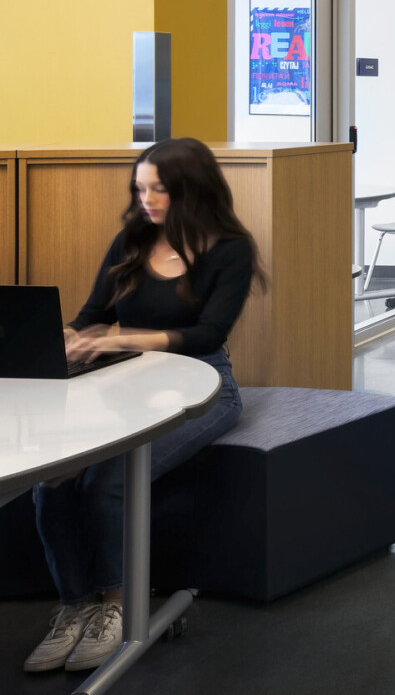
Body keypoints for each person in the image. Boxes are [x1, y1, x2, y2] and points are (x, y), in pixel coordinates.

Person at [26, 138, 261, 675]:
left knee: (109, 479)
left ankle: (116, 605)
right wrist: (68, 338)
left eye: (159, 188)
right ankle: (74, 606)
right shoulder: (132, 240)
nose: (147, 198)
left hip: (204, 387)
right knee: (53, 479)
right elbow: (92, 313)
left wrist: (119, 338)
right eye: (141, 188)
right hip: (125, 383)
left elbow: (208, 335)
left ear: (191, 190)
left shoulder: (230, 250)